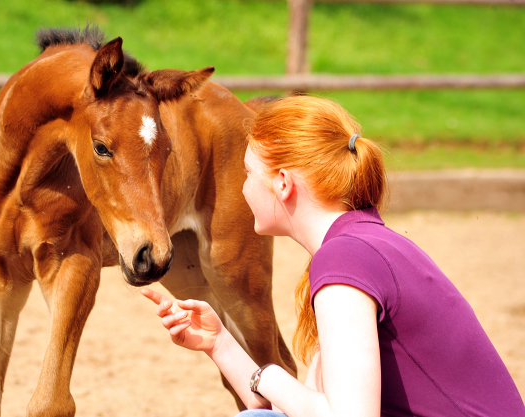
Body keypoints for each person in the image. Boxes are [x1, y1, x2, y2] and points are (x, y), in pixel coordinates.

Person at [141, 96, 525, 417]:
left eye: (247, 173)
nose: (242, 188)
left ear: (283, 183)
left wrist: (268, 377)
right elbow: (303, 408)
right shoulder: (358, 243)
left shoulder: (345, 261)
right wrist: (219, 343)